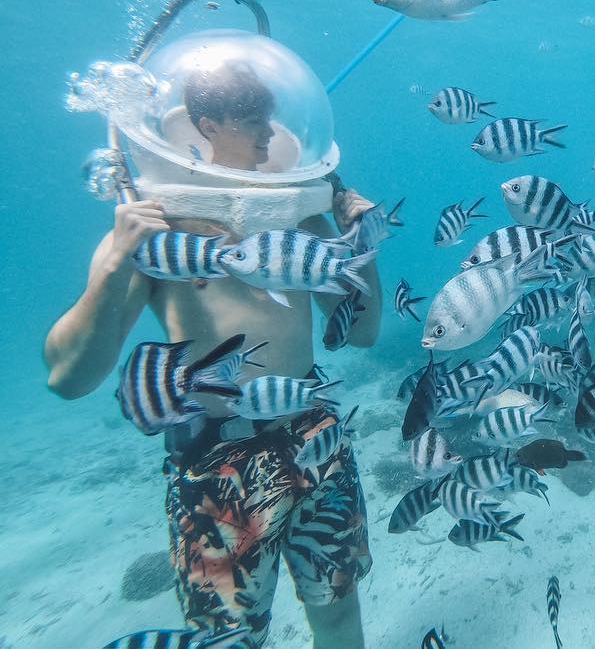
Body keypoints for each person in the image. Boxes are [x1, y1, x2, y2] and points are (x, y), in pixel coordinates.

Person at [44, 60, 381, 649]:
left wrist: (363, 246)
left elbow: (363, 333)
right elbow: (69, 377)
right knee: (228, 638)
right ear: (206, 124)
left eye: (269, 120)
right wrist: (114, 265)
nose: (268, 136)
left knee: (338, 606)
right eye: (250, 121)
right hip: (214, 457)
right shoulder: (154, 231)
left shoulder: (299, 214)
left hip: (312, 430)